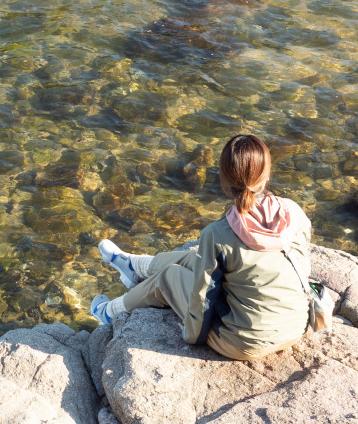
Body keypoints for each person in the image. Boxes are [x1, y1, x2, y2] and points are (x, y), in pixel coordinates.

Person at [89, 133, 314, 361]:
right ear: (266, 176)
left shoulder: (217, 234)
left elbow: (203, 297)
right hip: (296, 327)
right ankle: (134, 267)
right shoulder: (294, 211)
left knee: (168, 277)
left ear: (225, 182)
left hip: (243, 341)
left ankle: (108, 313)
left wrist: (192, 335)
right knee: (194, 259)